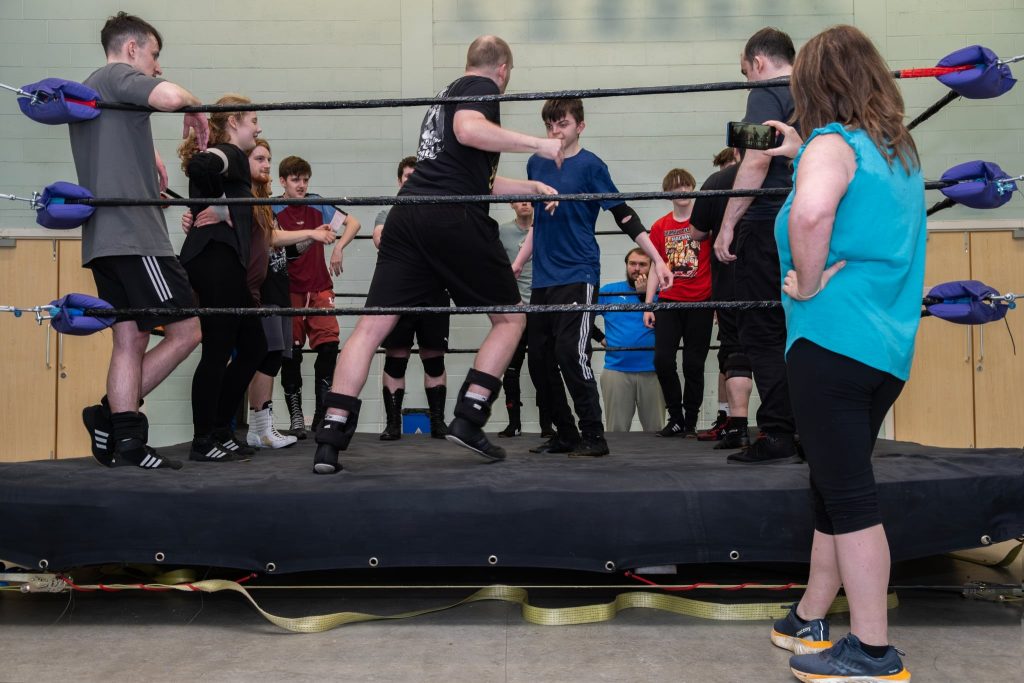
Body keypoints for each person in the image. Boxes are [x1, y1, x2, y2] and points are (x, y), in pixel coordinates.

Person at [311, 35, 564, 474]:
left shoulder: (445, 96)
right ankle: (469, 416)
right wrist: (539, 145)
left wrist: (531, 188)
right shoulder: (479, 89)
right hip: (450, 217)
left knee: (371, 329)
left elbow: (471, 174)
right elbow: (470, 133)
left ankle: (329, 439)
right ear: (503, 70)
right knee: (510, 318)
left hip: (408, 216)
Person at [762, 25, 924, 682]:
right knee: (833, 487)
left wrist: (803, 281)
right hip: (884, 349)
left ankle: (874, 650)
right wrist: (808, 151)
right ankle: (811, 614)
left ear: (813, 87)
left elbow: (810, 217)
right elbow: (854, 202)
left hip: (831, 339)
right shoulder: (895, 151)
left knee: (849, 495)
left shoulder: (832, 145)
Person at [73, 12, 206, 471]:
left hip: (102, 240)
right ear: (132, 50)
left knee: (129, 341)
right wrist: (195, 108)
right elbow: (168, 95)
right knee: (187, 331)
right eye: (153, 55)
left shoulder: (94, 88)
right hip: (136, 238)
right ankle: (112, 414)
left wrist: (148, 155)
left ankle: (125, 441)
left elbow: (120, 135)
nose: (156, 67)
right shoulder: (117, 75)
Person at [518, 97, 672, 458]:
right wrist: (518, 263)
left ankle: (593, 434)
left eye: (563, 124)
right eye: (550, 125)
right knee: (538, 359)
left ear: (580, 127)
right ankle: (565, 433)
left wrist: (657, 259)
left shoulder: (591, 166)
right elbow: (539, 221)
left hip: (578, 272)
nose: (556, 132)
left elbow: (623, 214)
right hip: (543, 277)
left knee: (570, 352)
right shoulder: (535, 162)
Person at [184, 139, 338, 449]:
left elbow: (277, 244)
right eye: (260, 159)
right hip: (256, 287)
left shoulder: (261, 200)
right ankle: (232, 429)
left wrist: (316, 238)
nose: (266, 164)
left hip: (276, 283)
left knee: (267, 356)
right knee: (244, 354)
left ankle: (249, 427)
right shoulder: (242, 197)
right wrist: (310, 232)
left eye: (268, 158)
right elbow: (268, 237)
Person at [714, 27, 800, 465]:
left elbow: (756, 157)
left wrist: (729, 221)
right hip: (807, 219)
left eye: (746, 71)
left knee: (760, 328)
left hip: (767, 219)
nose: (748, 79)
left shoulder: (767, 90)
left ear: (758, 62)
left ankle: (778, 431)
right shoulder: (814, 93)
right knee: (796, 325)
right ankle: (802, 427)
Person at [177, 94, 268, 462]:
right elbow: (199, 166)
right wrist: (217, 205)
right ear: (233, 122)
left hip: (225, 263)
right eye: (253, 120)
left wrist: (220, 205)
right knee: (216, 349)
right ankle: (204, 439)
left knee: (254, 347)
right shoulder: (228, 153)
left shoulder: (236, 163)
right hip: (214, 261)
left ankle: (220, 428)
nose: (258, 127)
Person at [274, 156, 361, 438]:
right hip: (290, 289)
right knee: (292, 354)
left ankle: (322, 413)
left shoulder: (317, 203)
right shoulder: (273, 207)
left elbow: (354, 223)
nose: (301, 185)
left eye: (305, 179)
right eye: (295, 180)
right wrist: (310, 235)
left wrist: (339, 248)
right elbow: (273, 240)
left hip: (320, 286)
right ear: (283, 182)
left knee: (329, 347)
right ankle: (296, 416)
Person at [371, 156, 451, 440]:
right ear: (400, 180)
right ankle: (393, 425)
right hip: (400, 293)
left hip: (433, 291)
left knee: (434, 358)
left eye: (416, 176)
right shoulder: (388, 213)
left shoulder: (440, 212)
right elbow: (381, 239)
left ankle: (439, 423)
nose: (412, 181)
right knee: (396, 357)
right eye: (407, 176)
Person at [690, 150, 755, 449]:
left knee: (735, 349)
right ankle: (778, 426)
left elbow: (696, 234)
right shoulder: (782, 176)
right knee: (772, 348)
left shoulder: (717, 181)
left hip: (729, 276)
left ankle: (738, 428)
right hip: (770, 274)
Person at [644, 168, 714, 438]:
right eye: (676, 187)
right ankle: (675, 415)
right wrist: (650, 304)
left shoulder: (704, 225)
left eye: (686, 186)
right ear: (667, 193)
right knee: (662, 360)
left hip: (700, 301)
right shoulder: (661, 226)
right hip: (670, 302)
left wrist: (716, 303)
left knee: (694, 364)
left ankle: (691, 419)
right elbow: (655, 266)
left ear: (693, 188)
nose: (682, 191)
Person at [592, 248, 664, 432]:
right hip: (617, 371)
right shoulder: (609, 292)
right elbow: (583, 318)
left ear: (651, 268)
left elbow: (668, 327)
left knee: (656, 432)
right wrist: (600, 338)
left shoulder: (662, 293)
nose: (637, 269)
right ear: (626, 265)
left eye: (643, 264)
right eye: (632, 264)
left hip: (653, 371)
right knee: (616, 432)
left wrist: (643, 297)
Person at [496, 201, 552, 438]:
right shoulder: (502, 232)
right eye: (520, 200)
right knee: (510, 370)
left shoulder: (546, 229)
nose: (525, 204)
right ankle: (514, 424)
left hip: (542, 308)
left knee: (544, 368)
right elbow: (493, 264)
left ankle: (547, 425)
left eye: (530, 200)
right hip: (514, 309)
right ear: (512, 204)